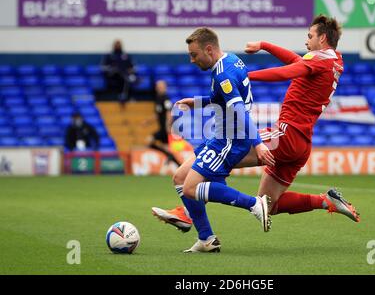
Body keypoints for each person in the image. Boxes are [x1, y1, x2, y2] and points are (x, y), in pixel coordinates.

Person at [151, 15, 360, 250]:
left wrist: (245, 77)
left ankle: (189, 214)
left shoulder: (317, 61)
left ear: (322, 38)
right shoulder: (333, 60)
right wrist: (264, 45)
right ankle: (325, 201)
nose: (306, 41)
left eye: (310, 36)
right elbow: (294, 61)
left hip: (284, 136)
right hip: (300, 144)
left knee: (212, 160)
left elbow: (286, 72)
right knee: (269, 204)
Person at [153, 27, 276, 253]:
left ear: (208, 49)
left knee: (191, 188)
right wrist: (197, 102)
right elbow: (222, 99)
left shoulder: (223, 74)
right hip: (220, 137)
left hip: (230, 140)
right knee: (180, 178)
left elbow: (239, 110)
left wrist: (257, 143)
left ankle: (254, 204)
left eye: (194, 54)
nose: (191, 60)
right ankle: (206, 239)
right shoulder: (231, 60)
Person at [144, 79, 181, 167]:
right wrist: (148, 121)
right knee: (165, 148)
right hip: (161, 128)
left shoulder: (165, 98)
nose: (158, 88)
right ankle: (175, 161)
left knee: (149, 141)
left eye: (160, 86)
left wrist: (168, 125)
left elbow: (169, 112)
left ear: (164, 87)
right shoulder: (158, 98)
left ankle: (173, 159)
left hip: (165, 128)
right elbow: (158, 114)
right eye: (157, 87)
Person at [100, 39, 138, 104]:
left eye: (119, 44)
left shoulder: (126, 55)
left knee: (127, 78)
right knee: (122, 76)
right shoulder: (110, 56)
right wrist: (111, 69)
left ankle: (125, 97)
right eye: (116, 44)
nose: (118, 45)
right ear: (113, 46)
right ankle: (123, 96)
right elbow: (103, 67)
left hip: (124, 74)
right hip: (113, 75)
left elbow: (132, 67)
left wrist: (130, 70)